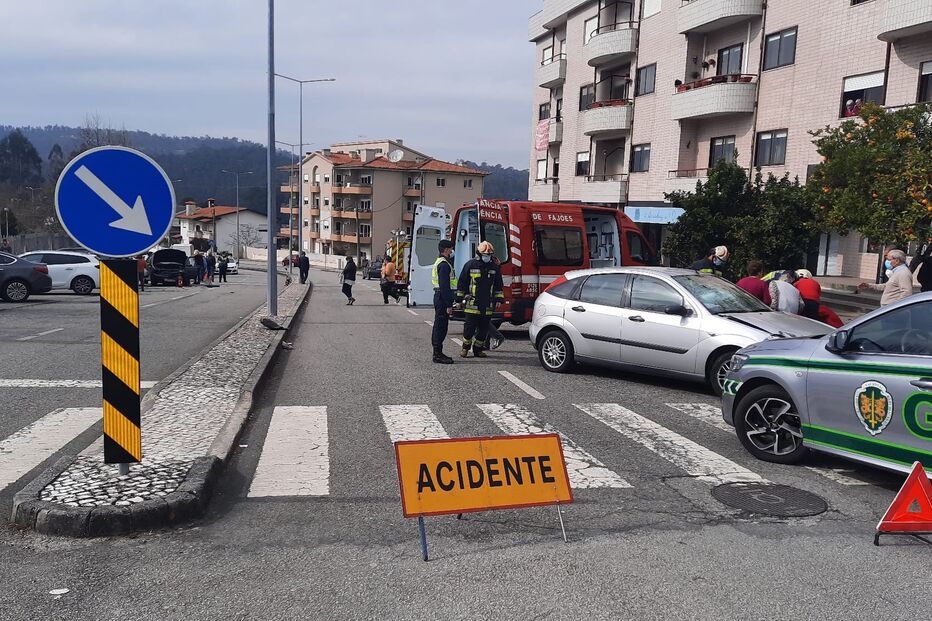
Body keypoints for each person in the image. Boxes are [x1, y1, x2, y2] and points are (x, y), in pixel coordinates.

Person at [456, 241, 504, 358]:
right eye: (485, 254)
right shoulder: (470, 265)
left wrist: (498, 299)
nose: (487, 257)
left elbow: (498, 285)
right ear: (479, 254)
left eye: (489, 255)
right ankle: (465, 348)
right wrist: (459, 299)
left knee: (483, 329)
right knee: (469, 329)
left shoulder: (494, 267)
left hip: (487, 303)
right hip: (472, 302)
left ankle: (478, 350)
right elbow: (462, 282)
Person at [431, 240, 456, 364]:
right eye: (451, 249)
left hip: (439, 296)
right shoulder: (444, 265)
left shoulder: (440, 262)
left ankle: (438, 352)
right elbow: (445, 286)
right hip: (442, 298)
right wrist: (449, 304)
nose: (452, 251)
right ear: (446, 249)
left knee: (439, 325)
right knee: (440, 326)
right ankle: (437, 354)